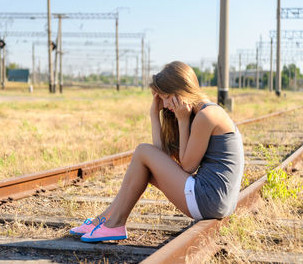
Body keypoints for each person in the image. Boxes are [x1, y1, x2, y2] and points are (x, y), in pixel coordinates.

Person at [70, 61, 244, 242]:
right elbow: (160, 157)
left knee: (142, 151)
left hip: (208, 200)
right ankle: (105, 220)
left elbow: (187, 167)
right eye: (161, 98)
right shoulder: (202, 112)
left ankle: (114, 223)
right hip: (213, 201)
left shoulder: (206, 116)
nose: (166, 103)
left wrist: (183, 121)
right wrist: (154, 114)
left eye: (167, 97)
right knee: (144, 159)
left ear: (182, 90)